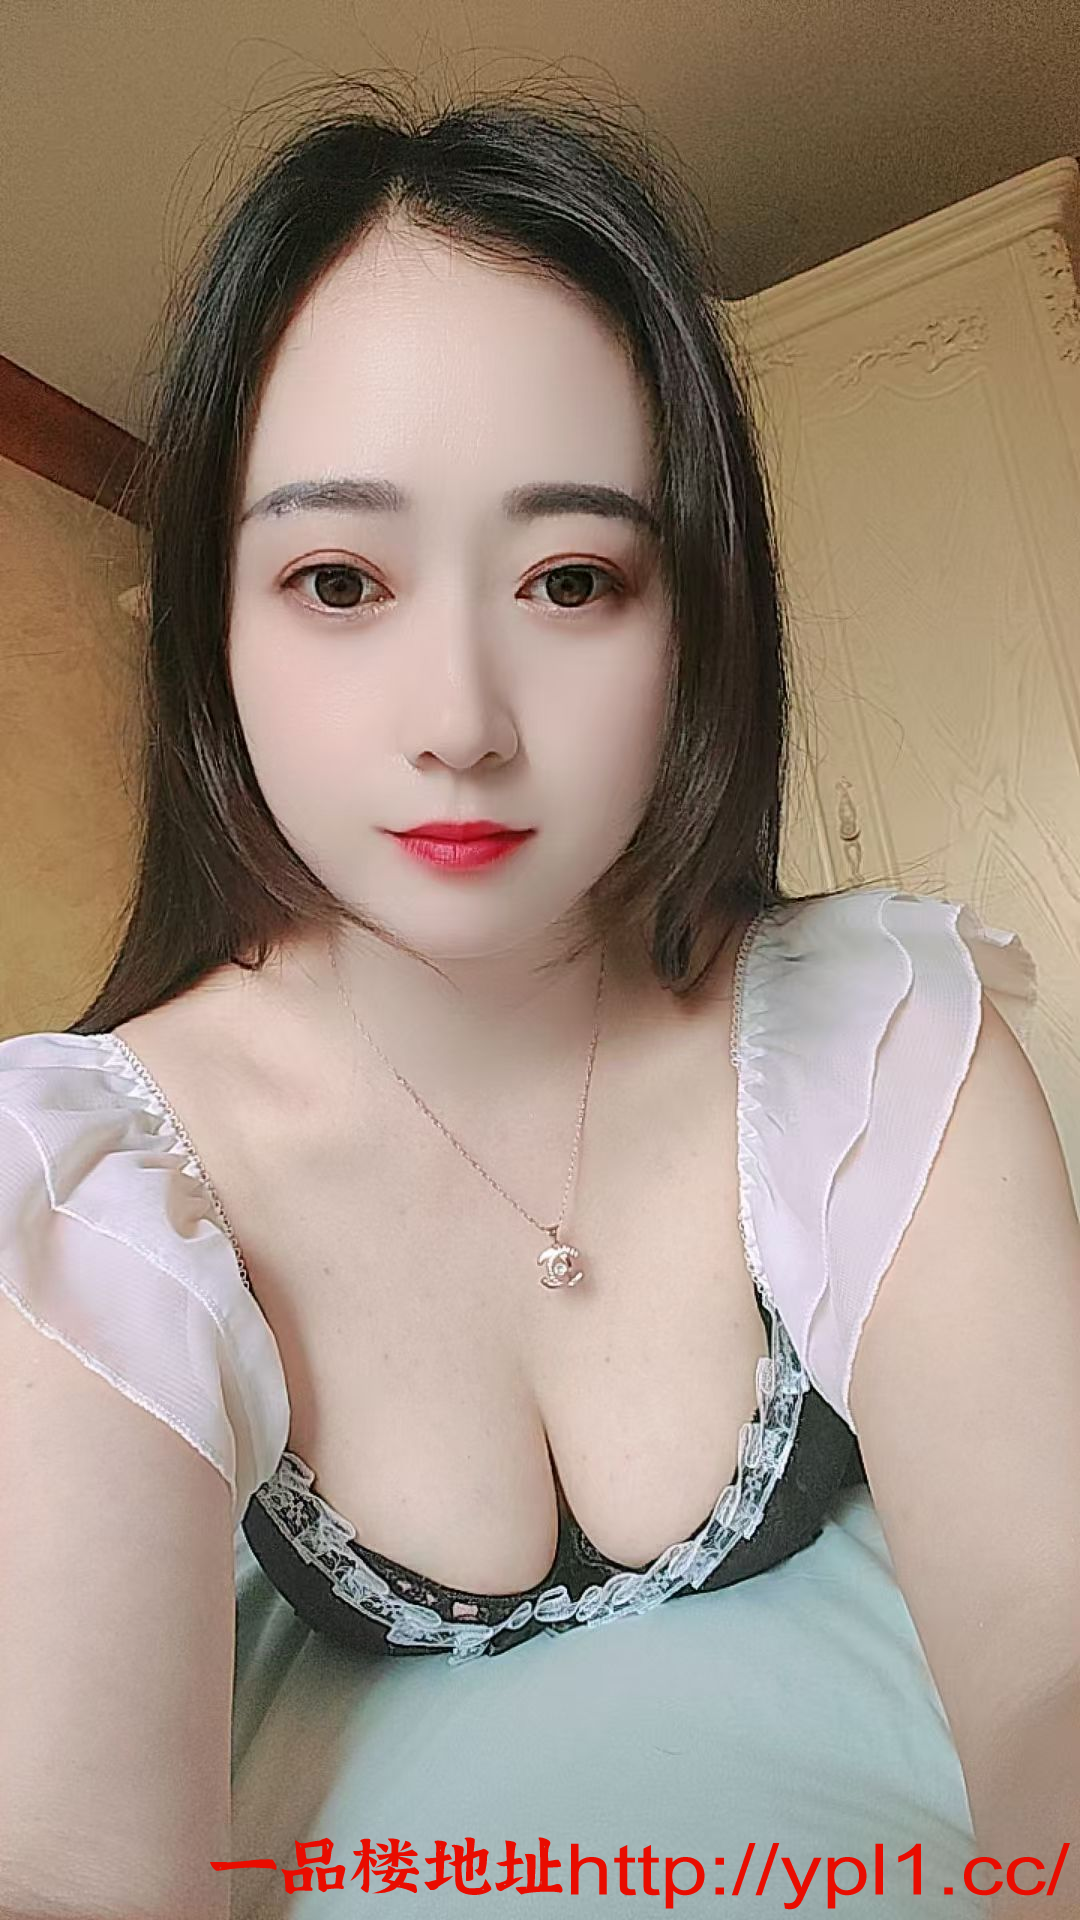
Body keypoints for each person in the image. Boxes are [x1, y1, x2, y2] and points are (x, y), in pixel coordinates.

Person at [2, 79, 1077, 1920]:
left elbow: (1055, 1663)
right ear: (211, 630)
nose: (461, 720)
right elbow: (70, 1861)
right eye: (338, 579)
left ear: (697, 614)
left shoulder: (878, 1036)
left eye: (571, 578)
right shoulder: (92, 1179)